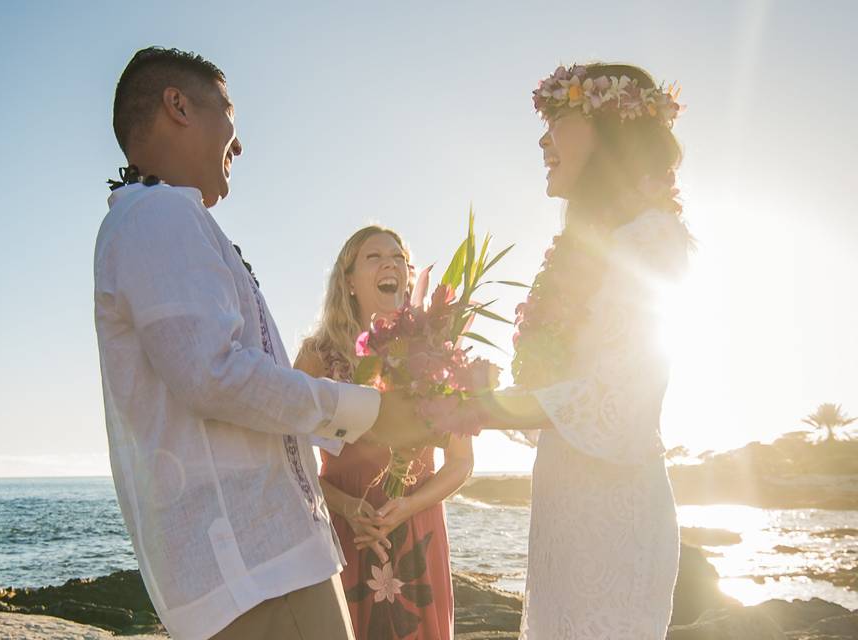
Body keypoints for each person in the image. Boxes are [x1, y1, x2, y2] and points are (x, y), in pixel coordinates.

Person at [93, 47, 435, 640]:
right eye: (229, 113)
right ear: (178, 105)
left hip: (262, 559)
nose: (240, 143)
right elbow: (213, 374)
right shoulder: (157, 215)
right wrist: (371, 413)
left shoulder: (159, 216)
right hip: (254, 565)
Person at [473, 63, 690, 639]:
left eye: (558, 122)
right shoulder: (591, 245)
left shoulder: (651, 237)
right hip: (567, 504)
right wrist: (482, 395)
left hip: (613, 516)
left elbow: (619, 400)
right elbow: (566, 391)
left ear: (608, 130)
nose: (544, 141)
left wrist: (483, 409)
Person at [295, 226, 474, 640]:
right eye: (374, 257)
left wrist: (407, 507)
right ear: (349, 282)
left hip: (418, 527)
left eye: (399, 258)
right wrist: (347, 507)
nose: (391, 263)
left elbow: (462, 462)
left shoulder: (437, 352)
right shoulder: (318, 356)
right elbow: (284, 456)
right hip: (345, 531)